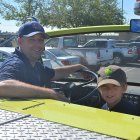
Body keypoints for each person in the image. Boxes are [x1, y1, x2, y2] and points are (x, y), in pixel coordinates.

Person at [0, 21, 88, 102]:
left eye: (40, 40)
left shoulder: (35, 66)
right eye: (32, 39)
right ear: (20, 41)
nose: (38, 45)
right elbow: (3, 86)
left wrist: (78, 67)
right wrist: (50, 93)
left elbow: (55, 73)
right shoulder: (16, 63)